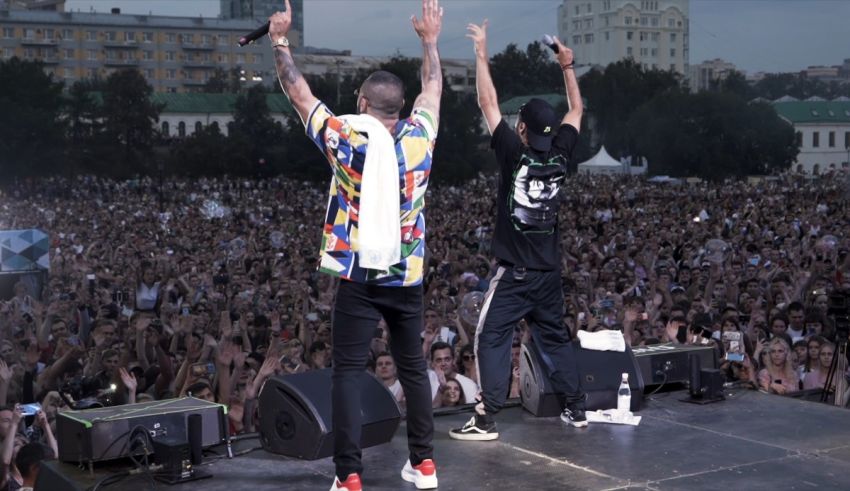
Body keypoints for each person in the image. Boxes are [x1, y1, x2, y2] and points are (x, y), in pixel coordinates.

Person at [268, 1, 443, 489]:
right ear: (401, 109)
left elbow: (299, 93)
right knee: (413, 368)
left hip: (360, 277)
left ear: (363, 105)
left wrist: (280, 41)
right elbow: (433, 87)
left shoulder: (347, 139)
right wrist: (429, 39)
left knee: (346, 372)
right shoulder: (419, 139)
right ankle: (424, 464)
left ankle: (349, 476)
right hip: (406, 276)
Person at [450, 22, 586, 442]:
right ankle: (576, 409)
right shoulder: (562, 154)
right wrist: (568, 67)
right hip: (548, 273)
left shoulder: (513, 153)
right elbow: (577, 112)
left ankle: (486, 417)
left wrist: (481, 54)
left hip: (516, 273)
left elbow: (486, 100)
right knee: (554, 339)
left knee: (490, 336)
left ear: (522, 129)